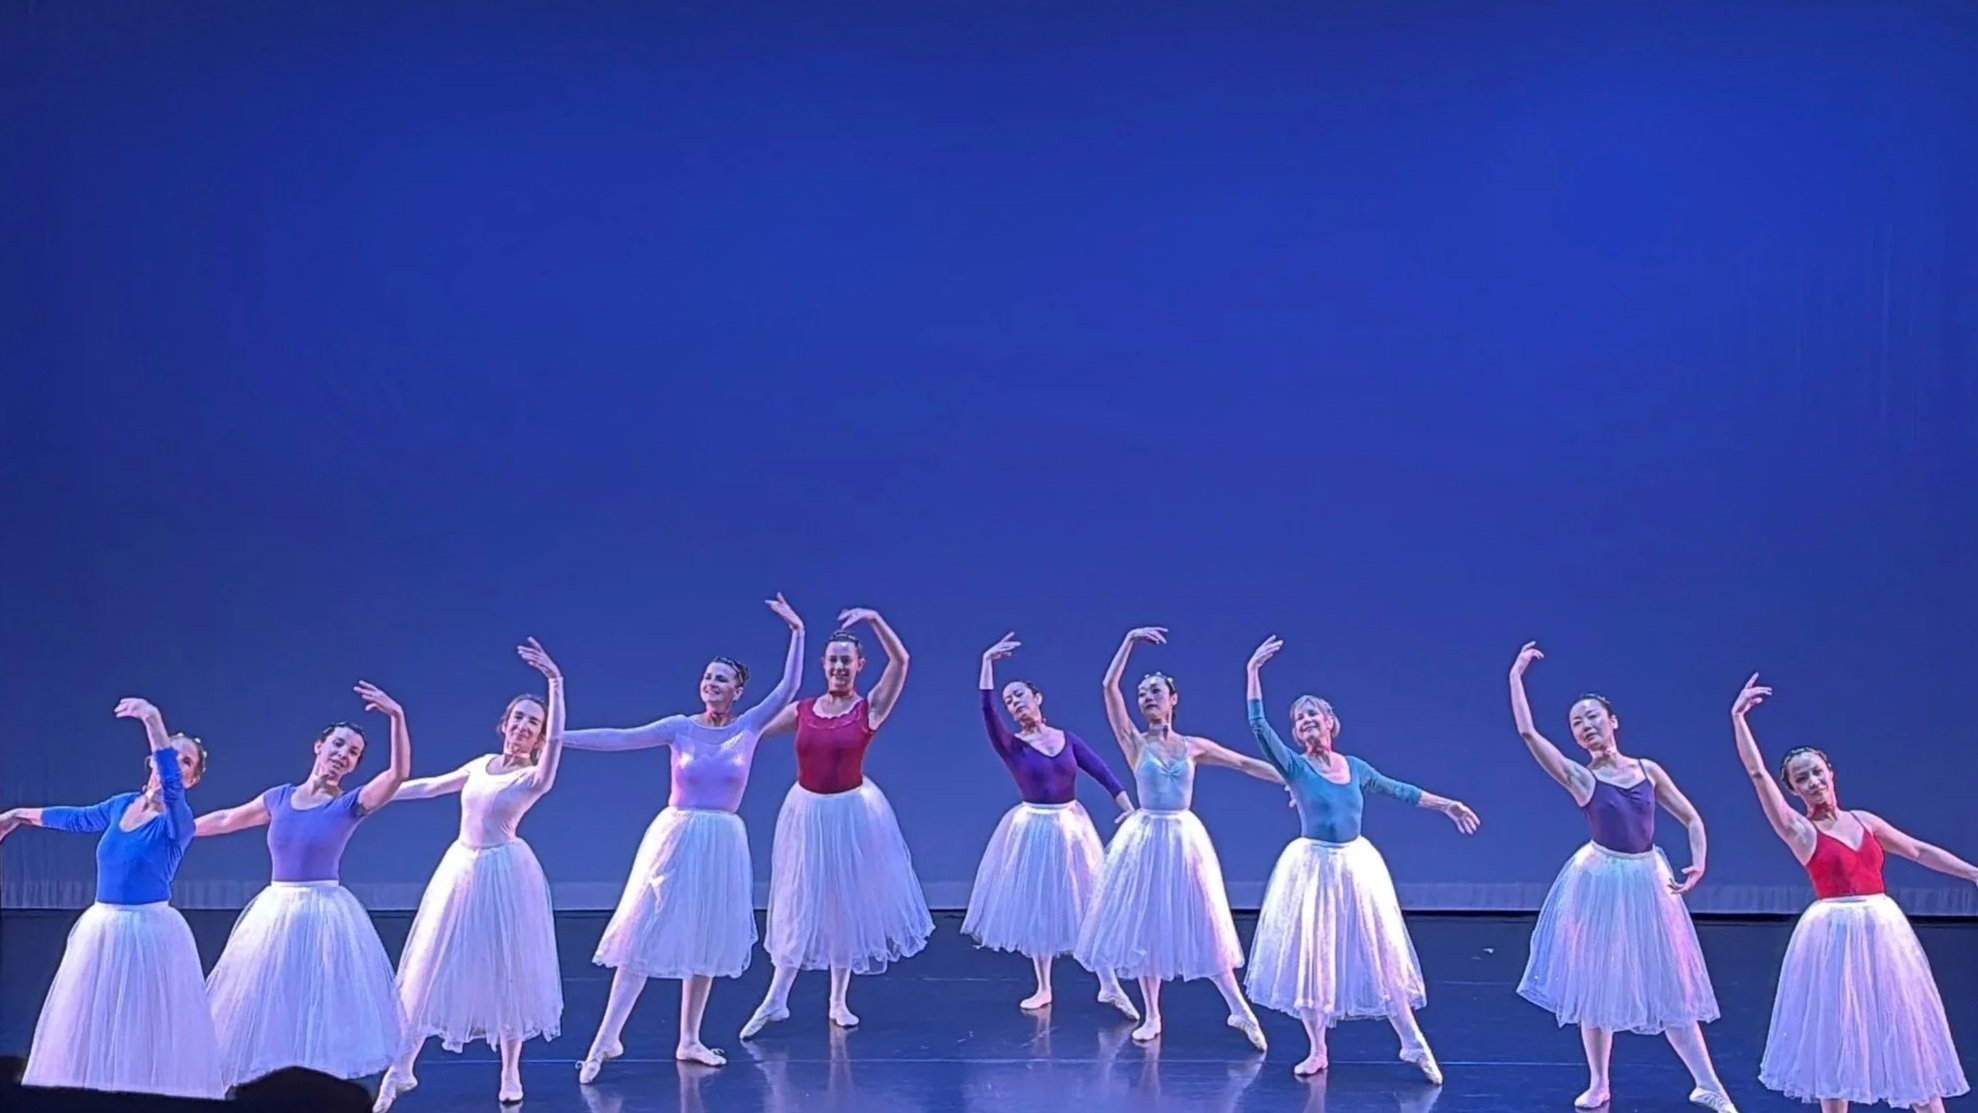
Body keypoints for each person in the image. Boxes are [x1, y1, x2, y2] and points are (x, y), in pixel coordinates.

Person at [560, 595, 806, 1076]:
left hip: (722, 842)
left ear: (737, 691)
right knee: (643, 929)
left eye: (722, 678)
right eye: (707, 676)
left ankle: (689, 1039)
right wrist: (558, 738)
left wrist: (797, 633)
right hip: (676, 836)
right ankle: (606, 1037)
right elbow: (620, 737)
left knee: (707, 937)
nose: (711, 683)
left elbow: (789, 687)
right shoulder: (678, 728)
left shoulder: (750, 727)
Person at [1508, 642, 1737, 1113]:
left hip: (1647, 878)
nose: (1586, 726)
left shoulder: (1648, 770)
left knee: (1671, 980)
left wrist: (1698, 861)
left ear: (1613, 721)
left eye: (1592, 716)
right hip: (1600, 880)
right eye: (1576, 722)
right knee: (1595, 980)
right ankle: (1599, 1082)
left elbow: (1692, 818)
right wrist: (1516, 676)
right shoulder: (1581, 778)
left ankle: (1708, 1082)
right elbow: (1529, 734)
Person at [1731, 674, 1972, 1113]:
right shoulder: (1800, 831)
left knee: (1905, 1023)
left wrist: (1973, 874)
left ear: (1831, 773)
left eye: (1817, 772)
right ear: (1794, 789)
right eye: (1801, 779)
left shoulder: (1865, 821)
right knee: (1836, 1031)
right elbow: (1756, 774)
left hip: (1883, 928)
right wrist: (1739, 721)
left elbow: (1919, 850)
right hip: (1833, 933)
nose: (1813, 782)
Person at [1243, 635, 1478, 1079]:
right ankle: (1317, 1048)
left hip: (1355, 866)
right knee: (1314, 957)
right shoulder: (1294, 767)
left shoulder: (1355, 767)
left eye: (1314, 715)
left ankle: (1411, 1040)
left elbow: (1400, 791)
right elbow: (1258, 728)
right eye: (1299, 719)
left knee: (1381, 952)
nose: (1307, 722)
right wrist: (1252, 673)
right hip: (1312, 868)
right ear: (1294, 733)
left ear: (1332, 723)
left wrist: (1446, 804)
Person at [373, 640, 565, 1109]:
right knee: (430, 961)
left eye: (532, 724)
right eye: (517, 718)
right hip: (461, 867)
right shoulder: (481, 764)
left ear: (539, 737)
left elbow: (558, 743)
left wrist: (555, 685)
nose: (523, 727)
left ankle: (511, 1071)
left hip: (505, 874)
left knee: (508, 969)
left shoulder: (534, 776)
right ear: (504, 724)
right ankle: (402, 1066)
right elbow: (430, 786)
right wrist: (377, 794)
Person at [193, 683, 413, 1087]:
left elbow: (398, 774)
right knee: (262, 994)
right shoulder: (279, 797)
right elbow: (227, 819)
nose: (343, 756)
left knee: (318, 999)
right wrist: (179, 830)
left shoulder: (350, 804)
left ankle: (312, 1086)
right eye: (339, 745)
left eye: (353, 753)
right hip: (276, 908)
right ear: (319, 746)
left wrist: (396, 717)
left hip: (324, 909)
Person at [0, 698, 222, 1098]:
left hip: (150, 931)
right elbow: (76, 817)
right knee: (91, 1014)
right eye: (169, 755)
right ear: (150, 762)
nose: (173, 763)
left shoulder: (178, 822)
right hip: (103, 925)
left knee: (144, 1018)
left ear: (190, 779)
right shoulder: (121, 804)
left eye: (184, 761)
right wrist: (18, 815)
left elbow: (169, 786)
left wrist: (153, 719)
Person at [1072, 626, 1274, 1049]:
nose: (1147, 697)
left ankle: (1238, 1008)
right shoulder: (1133, 742)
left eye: (1155, 690)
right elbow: (1109, 688)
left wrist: (1291, 781)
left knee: (1205, 918)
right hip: (1146, 838)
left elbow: (1241, 762)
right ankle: (1153, 1014)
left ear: (1173, 699)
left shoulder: (1193, 746)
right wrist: (1127, 641)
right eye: (1143, 692)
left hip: (1183, 837)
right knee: (1148, 925)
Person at [741, 608, 932, 1037]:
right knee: (799, 899)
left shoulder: (870, 709)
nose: (840, 666)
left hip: (851, 814)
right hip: (807, 813)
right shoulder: (803, 710)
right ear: (823, 665)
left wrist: (876, 619)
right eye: (834, 660)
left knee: (843, 903)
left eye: (848, 660)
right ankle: (776, 999)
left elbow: (901, 662)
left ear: (859, 666)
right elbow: (750, 732)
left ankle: (838, 1000)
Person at [966, 632, 1138, 1016]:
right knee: (1037, 906)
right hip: (1033, 829)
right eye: (1009, 700)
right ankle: (1043, 986)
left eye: (1019, 696)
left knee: (1089, 902)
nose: (1013, 704)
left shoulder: (1067, 739)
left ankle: (1108, 984)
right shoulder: (1011, 745)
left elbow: (1102, 771)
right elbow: (986, 713)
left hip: (1071, 827)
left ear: (1037, 698)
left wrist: (1126, 805)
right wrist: (987, 665)